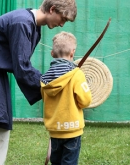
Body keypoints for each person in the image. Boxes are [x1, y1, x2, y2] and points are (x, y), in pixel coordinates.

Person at [0, 0, 77, 164]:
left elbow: (21, 65)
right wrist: (49, 86)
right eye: (63, 18)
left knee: (1, 128)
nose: (62, 24)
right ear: (52, 9)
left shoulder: (33, 26)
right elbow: (22, 66)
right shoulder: (22, 22)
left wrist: (49, 85)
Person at [40, 31, 92, 165]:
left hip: (55, 130)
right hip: (72, 131)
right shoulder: (76, 74)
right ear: (72, 53)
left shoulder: (45, 78)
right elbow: (85, 101)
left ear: (52, 53)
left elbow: (45, 100)